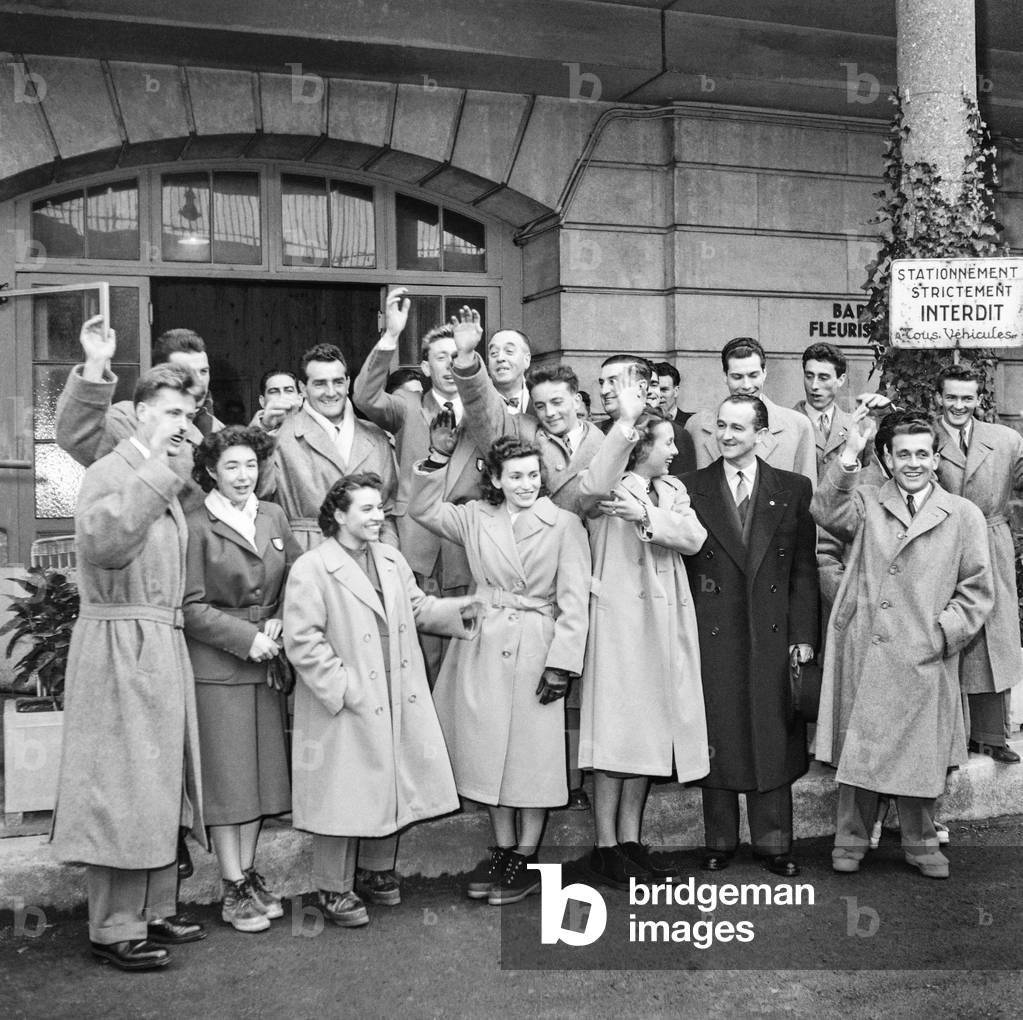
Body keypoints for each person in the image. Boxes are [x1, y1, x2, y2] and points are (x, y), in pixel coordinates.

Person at [51, 363, 207, 972]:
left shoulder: (162, 470)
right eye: (171, 413)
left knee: (158, 783)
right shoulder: (111, 470)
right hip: (119, 643)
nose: (181, 425)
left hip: (157, 643)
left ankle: (153, 909)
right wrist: (160, 469)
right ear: (139, 412)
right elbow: (105, 545)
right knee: (119, 786)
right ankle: (113, 927)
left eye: (187, 416)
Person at [283, 474, 480, 928]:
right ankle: (332, 888)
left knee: (388, 777)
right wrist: (344, 686)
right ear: (338, 514)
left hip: (395, 688)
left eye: (379, 509)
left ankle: (375, 870)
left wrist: (466, 608)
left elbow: (418, 608)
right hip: (349, 696)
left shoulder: (390, 558)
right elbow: (302, 640)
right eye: (367, 509)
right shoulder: (312, 568)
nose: (378, 517)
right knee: (343, 790)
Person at [812, 408, 993, 879]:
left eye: (923, 454)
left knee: (919, 756)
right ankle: (850, 839)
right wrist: (851, 451)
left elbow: (977, 591)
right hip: (868, 650)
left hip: (925, 653)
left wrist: (941, 634)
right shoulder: (867, 501)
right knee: (862, 751)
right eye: (902, 454)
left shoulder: (963, 515)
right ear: (887, 460)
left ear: (936, 459)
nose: (913, 463)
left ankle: (921, 841)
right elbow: (826, 510)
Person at [409, 437, 590, 905]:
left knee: (531, 759)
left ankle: (526, 860)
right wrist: (435, 459)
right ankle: (504, 850)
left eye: (533, 475)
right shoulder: (475, 517)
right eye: (514, 476)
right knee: (489, 755)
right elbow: (422, 508)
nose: (526, 484)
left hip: (536, 648)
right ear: (494, 478)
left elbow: (574, 604)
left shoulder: (565, 524)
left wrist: (562, 666)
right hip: (484, 647)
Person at [682, 395, 818, 877]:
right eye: (721, 425)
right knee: (719, 732)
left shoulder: (794, 488)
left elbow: (803, 568)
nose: (727, 435)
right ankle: (719, 841)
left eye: (739, 427)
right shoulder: (689, 487)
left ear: (762, 435)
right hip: (712, 630)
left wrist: (804, 635)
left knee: (771, 731)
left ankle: (774, 844)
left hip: (772, 631)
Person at [579, 409, 710, 886]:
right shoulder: (609, 484)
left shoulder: (672, 491)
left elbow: (694, 538)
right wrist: (643, 513)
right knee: (614, 736)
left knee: (650, 732)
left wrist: (647, 515)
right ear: (640, 448)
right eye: (667, 443)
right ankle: (604, 845)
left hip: (664, 622)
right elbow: (589, 496)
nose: (675, 450)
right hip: (620, 625)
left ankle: (630, 841)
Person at [183, 426, 301, 933]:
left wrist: (280, 617)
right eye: (231, 466)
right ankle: (232, 886)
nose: (242, 475)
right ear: (210, 470)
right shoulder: (195, 524)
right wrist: (244, 636)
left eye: (250, 465)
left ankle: (249, 874)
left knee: (259, 779)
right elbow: (187, 607)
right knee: (229, 784)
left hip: (265, 662)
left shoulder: (272, 514)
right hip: (218, 668)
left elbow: (297, 574)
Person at [354, 290, 501, 681]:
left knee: (465, 656)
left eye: (458, 357)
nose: (451, 366)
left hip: (464, 546)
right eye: (442, 357)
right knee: (418, 655)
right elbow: (365, 396)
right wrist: (391, 334)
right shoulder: (407, 406)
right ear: (425, 365)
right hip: (415, 544)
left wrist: (471, 362)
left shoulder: (483, 411)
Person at [933, 365, 1023, 765]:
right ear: (938, 397)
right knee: (948, 631)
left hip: (991, 541)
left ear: (979, 399)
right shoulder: (923, 437)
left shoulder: (1005, 439)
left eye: (967, 397)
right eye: (951, 397)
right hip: (941, 543)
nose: (959, 405)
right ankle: (944, 739)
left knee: (992, 639)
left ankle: (989, 736)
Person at [56, 317, 223, 512]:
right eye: (187, 372)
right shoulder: (129, 418)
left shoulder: (216, 428)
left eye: (204, 371)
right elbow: (76, 435)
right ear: (161, 373)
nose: (199, 381)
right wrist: (96, 362)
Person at [267, 343, 398, 551]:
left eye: (337, 382)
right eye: (320, 384)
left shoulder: (376, 437)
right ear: (303, 388)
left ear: (348, 383)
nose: (330, 392)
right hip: (307, 558)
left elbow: (389, 511)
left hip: (368, 560)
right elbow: (259, 503)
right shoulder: (280, 439)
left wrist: (388, 558)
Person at [686, 337, 816, 482]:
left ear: (764, 373)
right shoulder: (696, 427)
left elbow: (808, 498)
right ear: (725, 376)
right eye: (737, 377)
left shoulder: (798, 427)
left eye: (753, 375)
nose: (746, 385)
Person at [794, 343, 860, 479]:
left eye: (823, 378)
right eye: (809, 376)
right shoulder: (786, 424)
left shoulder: (856, 427)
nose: (814, 385)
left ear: (840, 380)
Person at [652, 361, 697, 477]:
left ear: (676, 391)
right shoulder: (642, 423)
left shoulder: (691, 423)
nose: (659, 394)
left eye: (664, 389)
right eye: (655, 388)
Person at [486, 327, 534, 416]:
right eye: (494, 353)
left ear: (526, 360)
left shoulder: (539, 399)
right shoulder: (478, 402)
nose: (500, 358)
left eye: (509, 351)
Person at [250, 369, 302, 433]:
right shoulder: (247, 436)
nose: (282, 397)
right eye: (273, 392)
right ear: (262, 401)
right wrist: (263, 427)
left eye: (289, 391)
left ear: (300, 399)